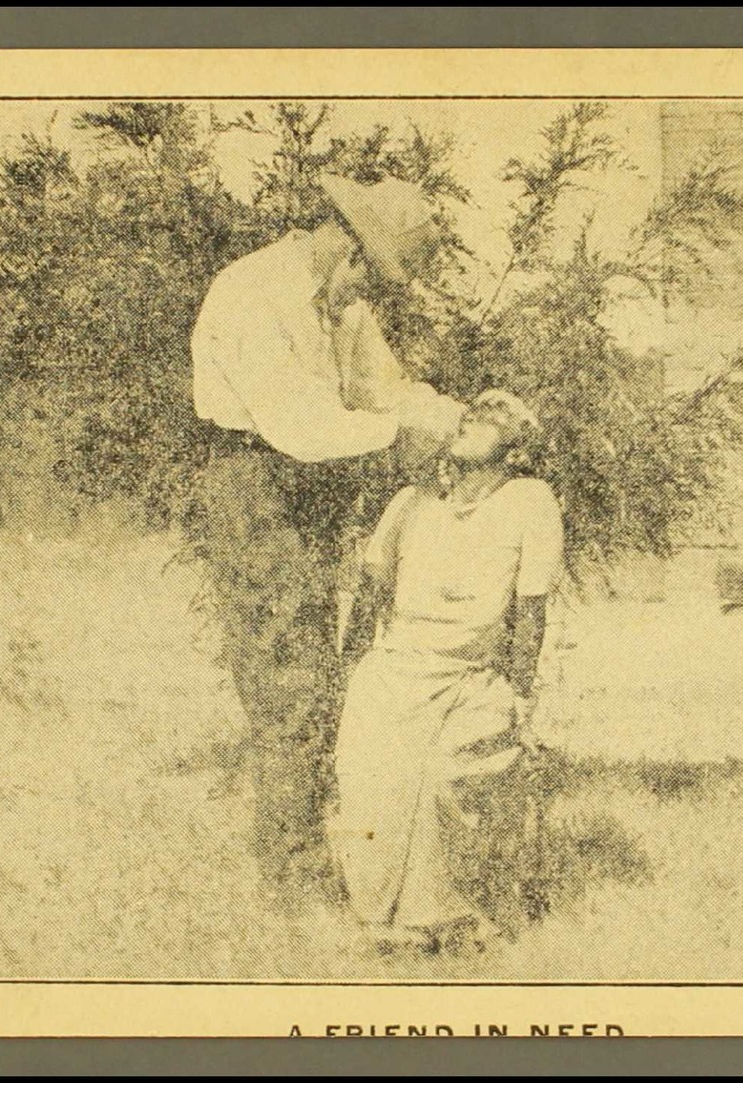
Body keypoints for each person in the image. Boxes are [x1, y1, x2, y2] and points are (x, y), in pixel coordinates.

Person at [189, 173, 465, 903]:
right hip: (254, 485)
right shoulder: (253, 293)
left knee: (320, 679)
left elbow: (386, 388)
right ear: (341, 239)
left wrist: (454, 417)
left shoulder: (341, 302)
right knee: (290, 685)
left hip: (307, 492)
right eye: (367, 268)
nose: (367, 287)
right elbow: (300, 428)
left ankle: (312, 854)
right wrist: (405, 435)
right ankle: (294, 881)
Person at [329, 390, 563, 953]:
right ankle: (382, 922)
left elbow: (531, 607)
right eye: (476, 408)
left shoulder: (531, 501)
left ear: (518, 447)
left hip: (470, 677)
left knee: (447, 778)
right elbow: (370, 592)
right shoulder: (410, 502)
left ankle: (446, 917)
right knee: (372, 783)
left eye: (502, 412)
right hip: (394, 670)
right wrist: (352, 672)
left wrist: (518, 689)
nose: (482, 413)